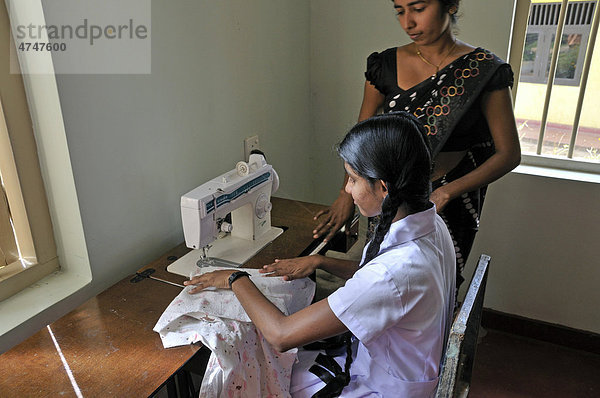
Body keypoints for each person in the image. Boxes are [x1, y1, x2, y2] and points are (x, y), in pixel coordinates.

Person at [185, 112, 456, 397]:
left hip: (381, 387)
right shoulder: (432, 223)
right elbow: (386, 283)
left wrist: (235, 278)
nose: (348, 190)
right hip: (402, 367)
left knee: (261, 376)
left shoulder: (392, 275)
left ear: (384, 187)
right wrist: (320, 261)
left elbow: (281, 335)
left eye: (352, 179)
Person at [312, 0, 521, 289]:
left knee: (435, 283)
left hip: (452, 199)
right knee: (382, 277)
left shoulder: (483, 71)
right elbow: (362, 141)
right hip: (392, 195)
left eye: (419, 9)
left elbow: (509, 154)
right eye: (400, 11)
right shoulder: (384, 66)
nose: (407, 22)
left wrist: (447, 192)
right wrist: (345, 195)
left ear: (450, 5)